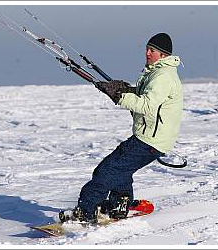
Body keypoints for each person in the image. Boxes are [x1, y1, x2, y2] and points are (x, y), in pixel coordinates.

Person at [58, 33, 183, 224]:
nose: (147, 53)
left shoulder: (163, 76)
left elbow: (147, 105)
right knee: (120, 169)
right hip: (148, 137)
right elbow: (145, 97)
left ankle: (85, 211)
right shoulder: (157, 72)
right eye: (147, 49)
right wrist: (124, 89)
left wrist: (120, 96)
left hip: (151, 139)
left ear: (163, 55)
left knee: (106, 171)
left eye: (152, 50)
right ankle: (120, 203)